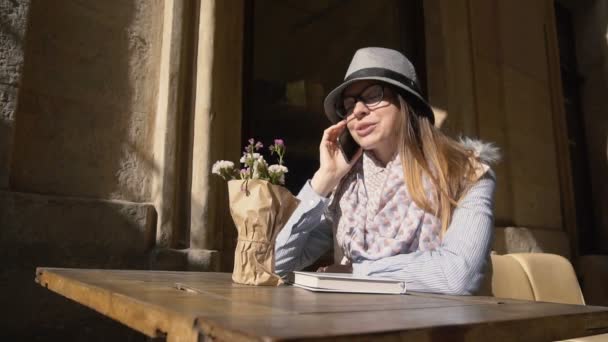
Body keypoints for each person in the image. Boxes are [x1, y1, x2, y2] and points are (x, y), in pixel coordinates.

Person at [274, 47, 499, 295]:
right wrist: (323, 180)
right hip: (348, 326)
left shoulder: (465, 173)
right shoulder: (346, 189)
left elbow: (457, 276)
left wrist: (356, 273)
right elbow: (277, 265)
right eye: (348, 105)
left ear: (406, 103)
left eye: (372, 95)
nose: (357, 111)